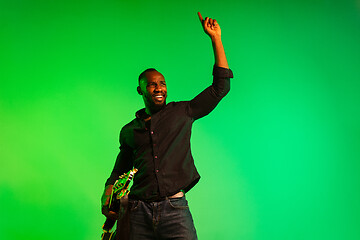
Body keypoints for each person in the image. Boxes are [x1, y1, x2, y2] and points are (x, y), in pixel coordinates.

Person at [101, 12, 233, 240]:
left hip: (174, 210)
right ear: (140, 90)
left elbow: (220, 87)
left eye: (162, 83)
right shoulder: (129, 131)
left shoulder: (181, 112)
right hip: (136, 212)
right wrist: (107, 190)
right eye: (151, 85)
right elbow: (119, 170)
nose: (159, 88)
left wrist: (216, 38)